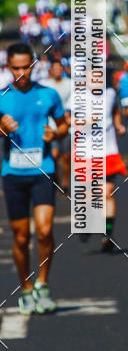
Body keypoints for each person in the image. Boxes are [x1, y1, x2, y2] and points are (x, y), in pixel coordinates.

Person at [0, 42, 68, 314]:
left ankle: (43, 284)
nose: (20, 73)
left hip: (43, 170)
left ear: (33, 65)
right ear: (8, 67)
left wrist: (57, 133)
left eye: (25, 67)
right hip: (13, 174)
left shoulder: (49, 95)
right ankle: (25, 288)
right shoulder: (2, 97)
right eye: (15, 67)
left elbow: (63, 124)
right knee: (19, 238)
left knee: (43, 230)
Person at [100, 83, 127, 253]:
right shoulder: (78, 96)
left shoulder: (110, 93)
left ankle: (107, 235)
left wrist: (118, 124)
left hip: (108, 151)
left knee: (107, 193)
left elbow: (115, 110)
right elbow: (67, 119)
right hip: (86, 153)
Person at [42, 59, 72, 193]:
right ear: (51, 71)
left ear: (63, 70)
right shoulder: (46, 85)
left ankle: (66, 181)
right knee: (54, 155)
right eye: (54, 69)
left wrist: (70, 114)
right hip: (52, 123)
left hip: (67, 123)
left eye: (59, 68)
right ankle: (56, 179)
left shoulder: (70, 84)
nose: (57, 71)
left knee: (66, 157)